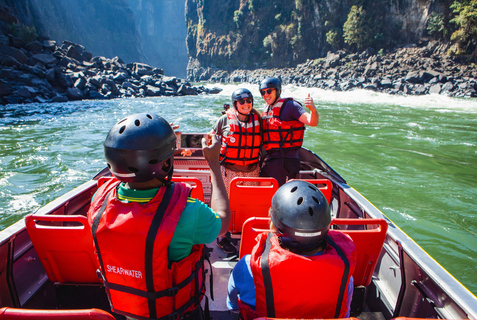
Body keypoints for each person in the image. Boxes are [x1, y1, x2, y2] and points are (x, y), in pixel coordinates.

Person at [87, 113, 230, 320]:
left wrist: (157, 147)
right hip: (175, 314)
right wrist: (214, 166)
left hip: (125, 311)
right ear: (165, 164)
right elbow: (223, 221)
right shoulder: (187, 212)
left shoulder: (99, 201)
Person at [227, 180, 356, 320]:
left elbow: (233, 304)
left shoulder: (249, 266)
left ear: (274, 225)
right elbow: (345, 313)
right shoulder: (344, 273)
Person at [211, 88, 263, 254]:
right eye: (242, 102)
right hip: (229, 171)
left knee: (248, 205)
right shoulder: (224, 120)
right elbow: (210, 137)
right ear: (235, 104)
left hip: (251, 170)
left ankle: (247, 234)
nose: (246, 104)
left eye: (249, 101)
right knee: (227, 206)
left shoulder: (259, 119)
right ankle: (222, 237)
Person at [259, 77, 319, 187]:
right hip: (272, 159)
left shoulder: (291, 106)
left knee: (268, 191)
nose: (265, 94)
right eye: (262, 92)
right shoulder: (267, 109)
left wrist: (313, 109)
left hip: (286, 161)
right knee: (262, 188)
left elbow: (312, 121)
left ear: (278, 91)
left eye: (269, 91)